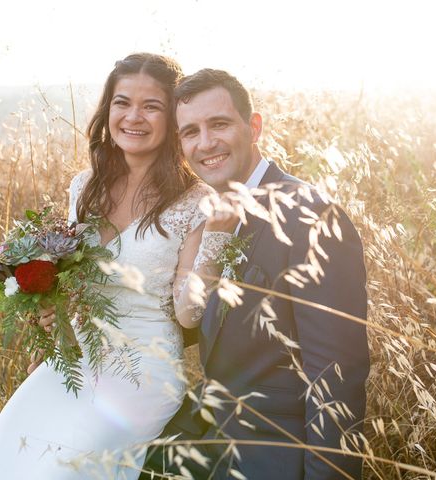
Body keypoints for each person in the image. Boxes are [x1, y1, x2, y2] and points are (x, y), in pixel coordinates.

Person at [0, 54, 236, 480]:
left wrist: (218, 237)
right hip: (76, 360)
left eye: (151, 106)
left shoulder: (197, 201)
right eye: (122, 102)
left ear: (171, 117)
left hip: (142, 372)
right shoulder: (85, 187)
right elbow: (71, 280)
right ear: (107, 109)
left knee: (61, 468)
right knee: (5, 453)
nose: (134, 116)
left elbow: (188, 312)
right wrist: (51, 318)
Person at [141, 69, 370, 479]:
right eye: (190, 131)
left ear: (255, 127)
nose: (205, 143)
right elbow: (195, 325)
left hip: (278, 458)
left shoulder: (310, 217)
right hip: (216, 448)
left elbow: (335, 383)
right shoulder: (211, 218)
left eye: (220, 124)